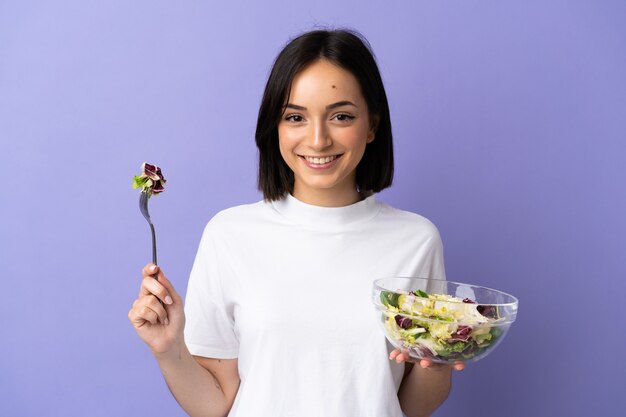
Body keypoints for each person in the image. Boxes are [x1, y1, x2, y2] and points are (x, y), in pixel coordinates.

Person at [128, 29, 464, 417]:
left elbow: (411, 407)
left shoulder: (416, 240)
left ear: (371, 125)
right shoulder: (229, 235)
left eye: (341, 116)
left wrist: (437, 360)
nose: (318, 140)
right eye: (295, 117)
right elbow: (216, 405)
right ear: (276, 126)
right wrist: (169, 350)